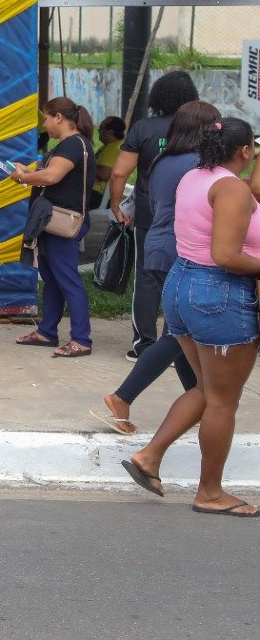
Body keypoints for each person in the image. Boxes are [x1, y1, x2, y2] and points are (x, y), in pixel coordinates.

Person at [123, 117, 260, 517]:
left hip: (182, 285)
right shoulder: (230, 188)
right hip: (218, 293)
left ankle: (149, 457)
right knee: (222, 402)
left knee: (205, 389)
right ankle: (210, 493)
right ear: (245, 150)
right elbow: (226, 256)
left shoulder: (195, 176)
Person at [94, 100, 218, 435]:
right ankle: (123, 396)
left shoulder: (163, 160)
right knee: (179, 333)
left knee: (181, 332)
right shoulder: (198, 165)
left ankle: (200, 398)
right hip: (182, 249)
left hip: (159, 243)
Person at [110, 71, 200, 358]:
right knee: (187, 277)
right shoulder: (202, 129)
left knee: (147, 278)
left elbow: (120, 172)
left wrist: (116, 205)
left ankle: (145, 346)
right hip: (195, 217)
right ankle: (177, 347)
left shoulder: (143, 128)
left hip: (150, 216)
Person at [13, 97, 97, 357]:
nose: (45, 124)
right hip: (51, 222)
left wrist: (24, 178)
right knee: (51, 279)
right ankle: (46, 331)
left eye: (47, 118)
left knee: (68, 280)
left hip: (63, 222)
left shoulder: (73, 144)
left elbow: (51, 176)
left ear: (59, 117)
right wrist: (28, 172)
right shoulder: (69, 144)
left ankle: (81, 339)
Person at [90, 116, 126, 211]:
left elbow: (104, 174)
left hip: (96, 195)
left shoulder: (113, 150)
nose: (98, 130)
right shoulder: (109, 147)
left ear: (110, 132)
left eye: (101, 128)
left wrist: (85, 162)